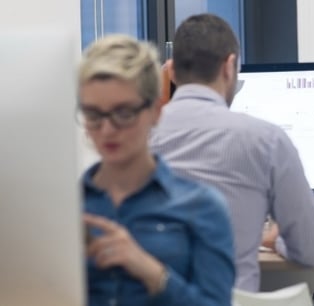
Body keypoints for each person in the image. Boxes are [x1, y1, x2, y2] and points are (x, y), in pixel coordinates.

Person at [149, 13, 314, 291]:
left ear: (171, 71)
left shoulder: (136, 140)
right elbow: (313, 251)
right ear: (230, 66)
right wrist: (274, 240)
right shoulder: (266, 139)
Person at [78, 34, 235, 306]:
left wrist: (152, 272)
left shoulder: (201, 207)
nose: (106, 130)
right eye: (93, 115)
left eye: (123, 113)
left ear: (155, 111)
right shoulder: (67, 208)